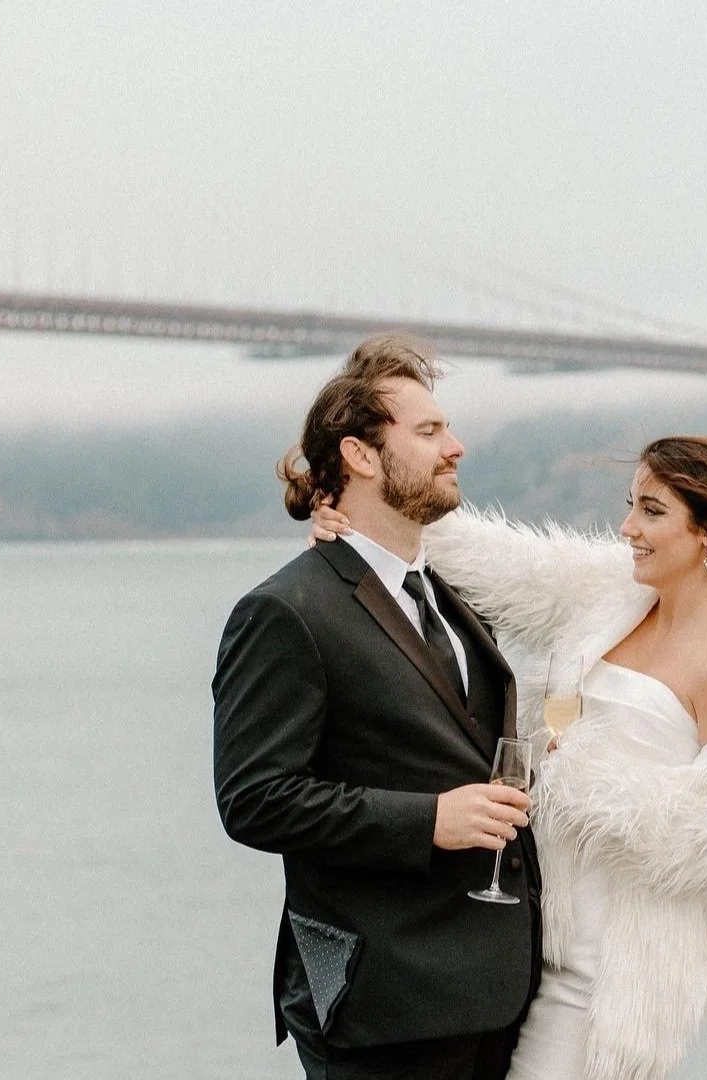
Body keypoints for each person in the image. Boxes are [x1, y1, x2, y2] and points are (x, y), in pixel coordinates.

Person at [312, 434, 707, 1080]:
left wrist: (572, 774)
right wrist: (363, 516)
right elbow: (501, 564)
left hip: (602, 978)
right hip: (521, 938)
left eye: (652, 511)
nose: (628, 529)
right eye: (631, 506)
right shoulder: (616, 593)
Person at [213, 334, 541, 1080]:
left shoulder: (457, 602)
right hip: (382, 1012)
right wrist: (431, 821)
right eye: (427, 432)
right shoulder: (285, 611)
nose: (455, 446)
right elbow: (255, 800)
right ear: (360, 455)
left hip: (496, 1000)